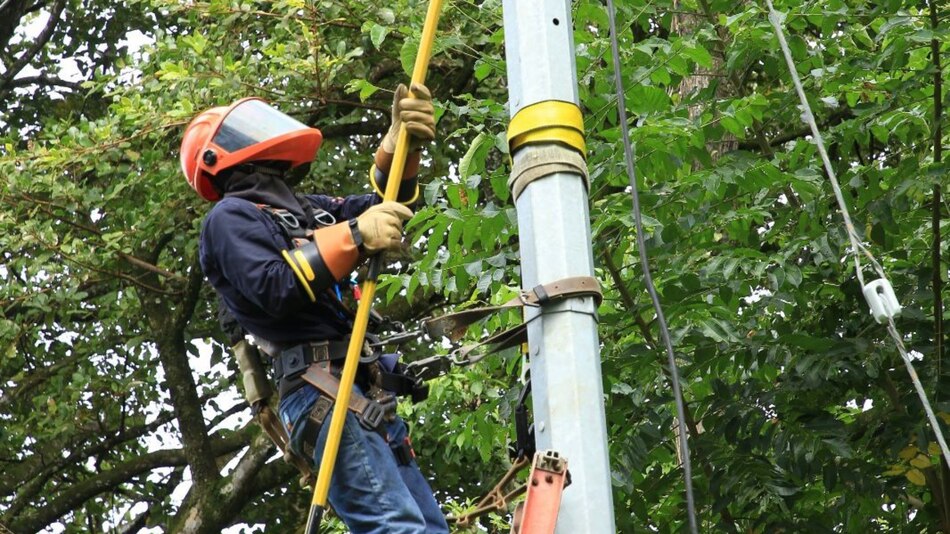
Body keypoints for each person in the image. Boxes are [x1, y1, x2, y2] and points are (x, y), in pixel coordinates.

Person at [180, 83, 449, 534]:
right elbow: (274, 285)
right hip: (320, 389)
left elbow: (388, 210)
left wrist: (399, 145)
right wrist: (355, 238)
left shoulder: (306, 211)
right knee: (398, 527)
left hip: (360, 394)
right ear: (217, 156)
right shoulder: (228, 219)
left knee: (427, 529)